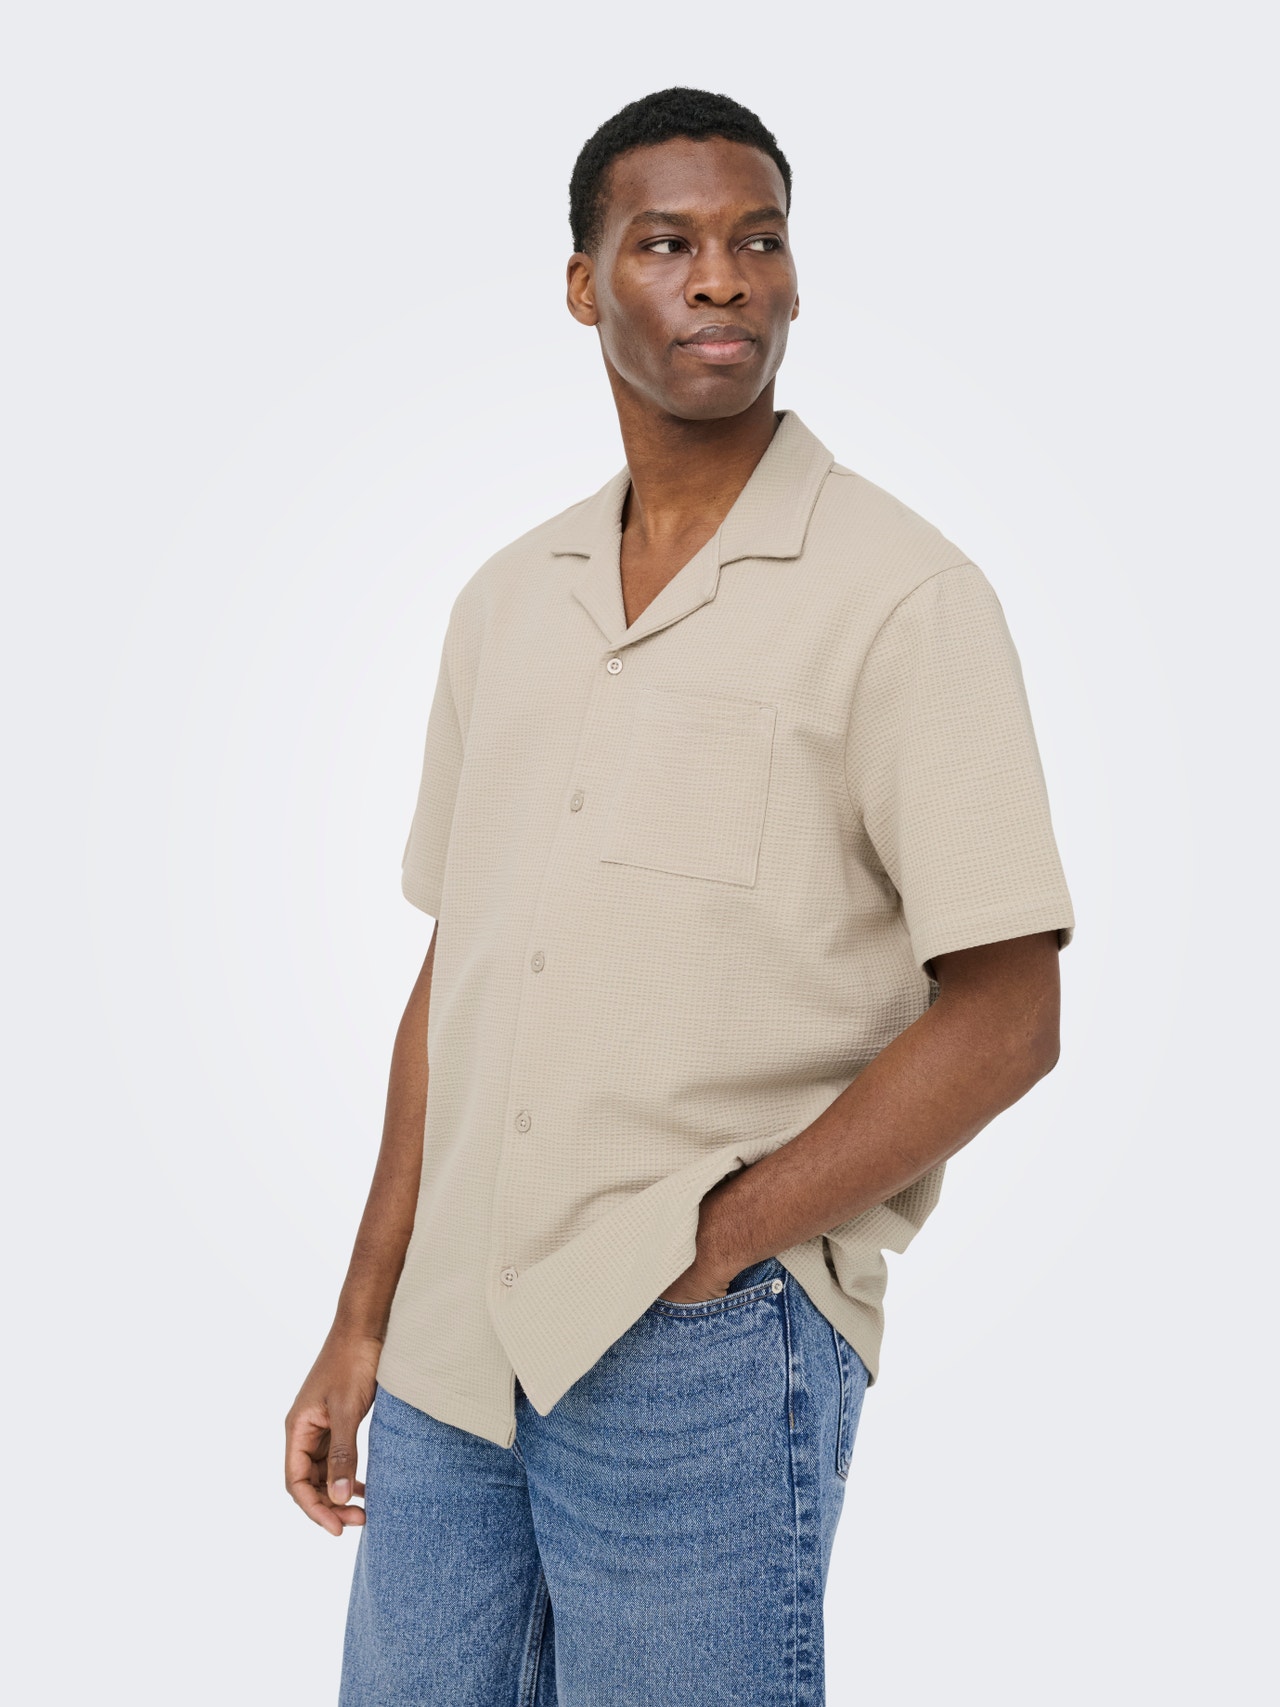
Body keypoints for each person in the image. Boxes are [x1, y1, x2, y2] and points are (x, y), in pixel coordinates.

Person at [285, 86, 1075, 1706]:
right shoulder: (508, 602)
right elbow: (461, 973)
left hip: (696, 1346)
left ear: (793, 280)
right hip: (449, 1349)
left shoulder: (903, 598)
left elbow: (1009, 1017)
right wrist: (363, 1314)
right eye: (667, 244)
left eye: (757, 241)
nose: (722, 277)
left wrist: (719, 1245)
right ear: (585, 287)